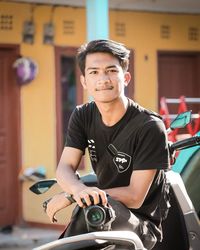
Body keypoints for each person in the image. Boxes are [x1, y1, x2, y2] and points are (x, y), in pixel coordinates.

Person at [45, 39, 170, 250]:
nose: (103, 79)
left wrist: (72, 196)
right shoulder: (83, 115)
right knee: (91, 210)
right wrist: (78, 190)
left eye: (111, 70)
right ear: (84, 81)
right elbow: (65, 167)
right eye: (94, 72)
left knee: (93, 205)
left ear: (126, 77)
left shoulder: (149, 126)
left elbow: (134, 196)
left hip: (140, 225)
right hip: (101, 212)